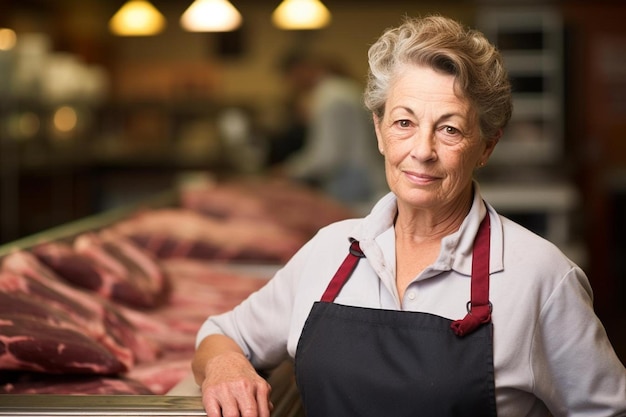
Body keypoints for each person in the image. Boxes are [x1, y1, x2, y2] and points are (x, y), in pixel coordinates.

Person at [192, 15, 626, 417]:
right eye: (404, 123)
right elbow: (220, 334)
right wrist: (226, 366)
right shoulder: (328, 251)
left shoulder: (541, 276)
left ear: (487, 146)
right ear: (379, 130)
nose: (422, 150)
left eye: (450, 128)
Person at [272, 51, 386, 209]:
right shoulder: (340, 90)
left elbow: (328, 154)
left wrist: (290, 171)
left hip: (357, 187)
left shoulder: (331, 99)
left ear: (300, 70)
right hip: (358, 181)